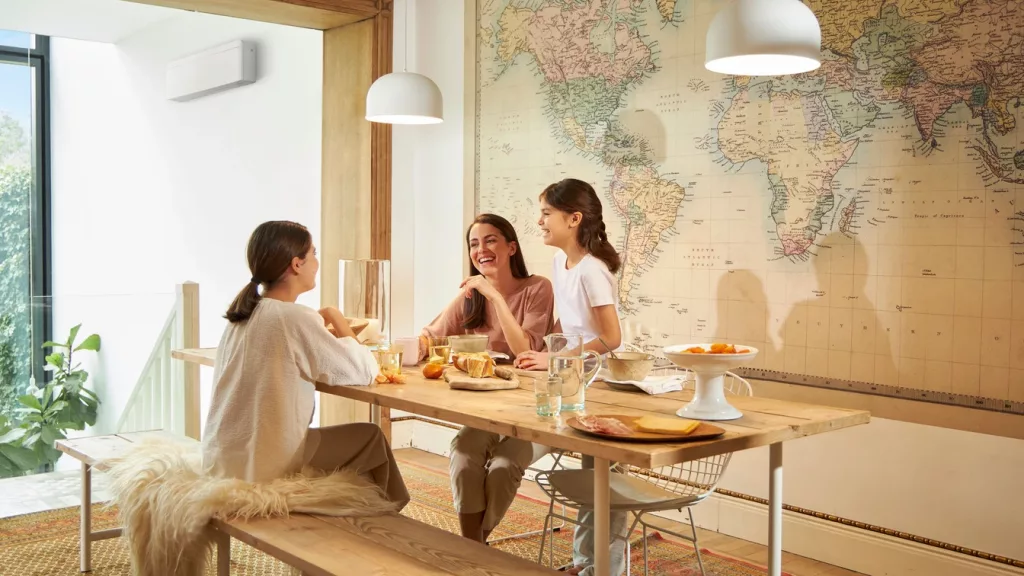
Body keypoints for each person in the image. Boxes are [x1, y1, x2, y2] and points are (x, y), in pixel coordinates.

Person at [202, 220, 409, 510]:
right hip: (266, 468)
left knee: (358, 441)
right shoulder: (294, 317)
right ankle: (388, 520)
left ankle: (360, 516)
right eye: (313, 254)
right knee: (371, 437)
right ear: (297, 264)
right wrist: (336, 317)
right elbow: (364, 371)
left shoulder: (242, 316)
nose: (317, 262)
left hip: (221, 460)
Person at [514, 178, 627, 576]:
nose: (540, 221)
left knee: (603, 481)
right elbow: (568, 325)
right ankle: (585, 562)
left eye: (546, 213)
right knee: (588, 478)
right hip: (576, 381)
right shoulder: (562, 264)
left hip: (602, 387)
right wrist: (547, 355)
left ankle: (605, 569)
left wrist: (556, 362)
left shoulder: (592, 271)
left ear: (573, 218)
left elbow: (611, 339)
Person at [421, 213, 555, 542]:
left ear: (511, 247)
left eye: (490, 240)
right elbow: (431, 335)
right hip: (487, 409)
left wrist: (494, 295)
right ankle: (474, 549)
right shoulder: (471, 294)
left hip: (536, 409)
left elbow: (525, 350)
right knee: (464, 453)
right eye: (474, 243)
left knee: (504, 465)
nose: (481, 249)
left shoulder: (538, 288)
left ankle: (474, 546)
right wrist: (414, 346)